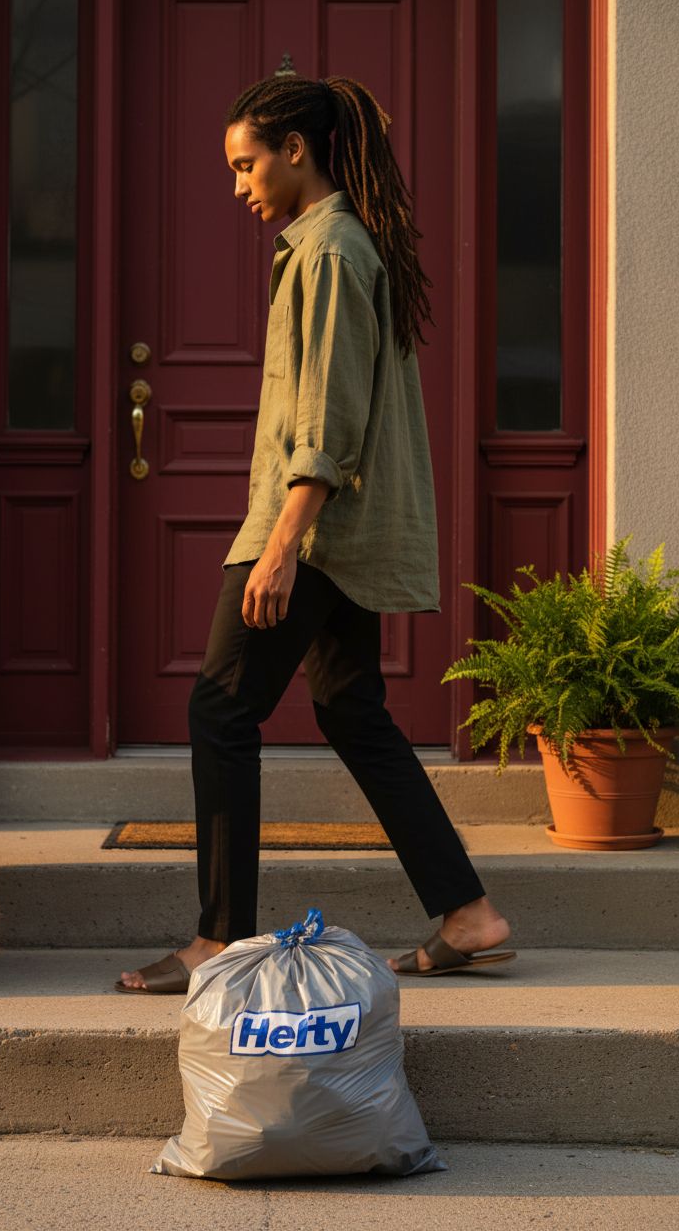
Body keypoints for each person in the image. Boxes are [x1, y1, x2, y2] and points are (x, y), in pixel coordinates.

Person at [116, 75, 514, 994]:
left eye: (246, 162)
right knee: (350, 709)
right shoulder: (332, 246)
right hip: (335, 523)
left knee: (220, 708)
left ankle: (220, 941)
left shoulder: (331, 251)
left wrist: (286, 540)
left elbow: (328, 416)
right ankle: (469, 914)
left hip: (313, 526)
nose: (238, 183)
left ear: (297, 149)